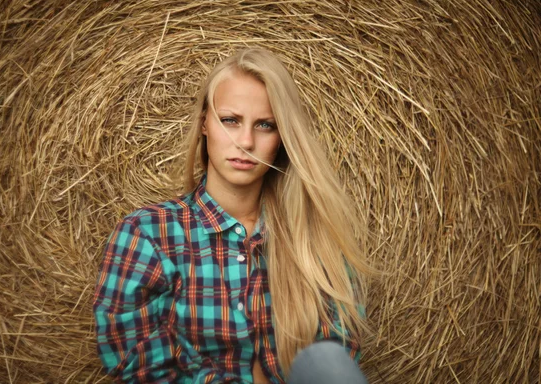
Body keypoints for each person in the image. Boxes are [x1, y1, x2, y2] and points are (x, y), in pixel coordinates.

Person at [93, 47, 371, 383]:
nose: (246, 141)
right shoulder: (148, 234)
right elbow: (136, 361)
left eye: (265, 125)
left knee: (327, 359)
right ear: (205, 124)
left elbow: (339, 351)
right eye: (230, 120)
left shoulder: (315, 239)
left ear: (282, 139)